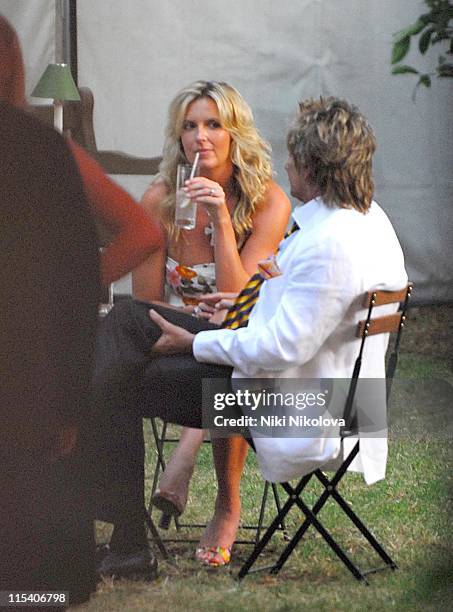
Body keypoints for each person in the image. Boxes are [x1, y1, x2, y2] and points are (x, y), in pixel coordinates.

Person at [94, 95, 408, 570]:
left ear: (314, 164)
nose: (286, 164)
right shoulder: (365, 221)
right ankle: (120, 535)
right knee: (128, 321)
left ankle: (123, 539)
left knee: (125, 377)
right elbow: (304, 311)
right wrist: (245, 306)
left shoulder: (329, 244)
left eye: (293, 156)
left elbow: (282, 347)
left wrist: (195, 340)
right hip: (333, 396)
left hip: (297, 406)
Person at [95, 79, 290, 574]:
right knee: (124, 335)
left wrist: (221, 218)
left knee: (118, 365)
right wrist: (179, 335)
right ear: (177, 136)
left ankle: (135, 536)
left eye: (213, 124)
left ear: (234, 134)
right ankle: (129, 538)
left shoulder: (267, 202)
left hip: (243, 360)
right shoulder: (162, 198)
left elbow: (244, 308)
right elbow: (148, 304)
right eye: (189, 125)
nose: (200, 136)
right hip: (172, 341)